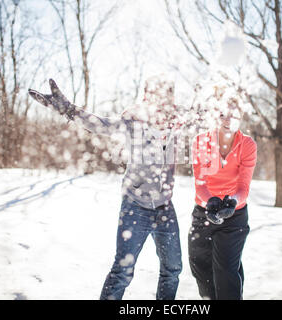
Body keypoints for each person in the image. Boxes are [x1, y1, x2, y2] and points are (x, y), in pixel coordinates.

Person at [28, 76, 183, 300]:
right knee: (123, 273)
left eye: (166, 97)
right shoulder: (134, 122)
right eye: (156, 97)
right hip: (136, 206)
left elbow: (205, 118)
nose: (161, 103)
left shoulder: (176, 124)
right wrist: (68, 110)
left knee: (172, 270)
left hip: (165, 207)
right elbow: (99, 124)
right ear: (148, 98)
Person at [188, 96, 257, 300]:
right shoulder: (201, 141)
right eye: (221, 115)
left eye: (233, 115)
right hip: (203, 213)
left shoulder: (247, 145)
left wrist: (232, 200)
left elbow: (243, 186)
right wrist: (211, 201)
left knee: (226, 272)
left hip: (234, 215)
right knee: (200, 267)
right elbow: (200, 183)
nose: (227, 120)